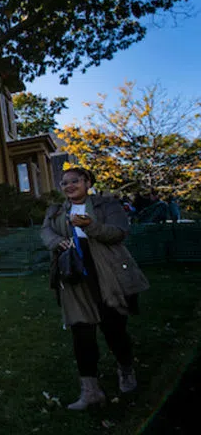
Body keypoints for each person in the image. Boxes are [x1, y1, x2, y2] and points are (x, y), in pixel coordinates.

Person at [41, 167, 150, 410]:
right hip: (73, 275)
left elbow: (118, 233)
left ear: (88, 182)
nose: (69, 186)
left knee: (114, 329)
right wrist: (58, 242)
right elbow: (45, 231)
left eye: (75, 181)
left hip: (106, 274)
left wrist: (90, 226)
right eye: (64, 182)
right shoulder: (57, 210)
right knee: (81, 332)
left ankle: (126, 370)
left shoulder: (107, 206)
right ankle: (90, 391)